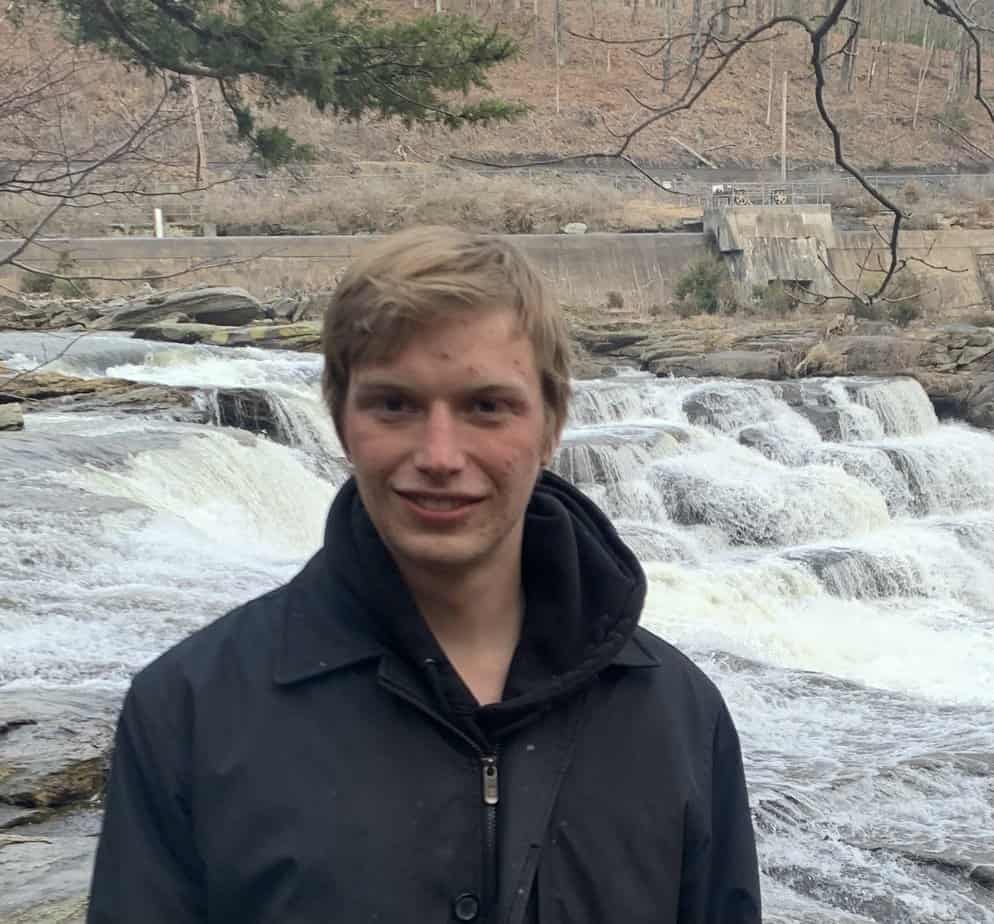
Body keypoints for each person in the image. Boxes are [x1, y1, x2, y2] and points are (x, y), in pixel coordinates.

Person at [87, 226, 761, 923]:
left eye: (486, 407)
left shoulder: (681, 718)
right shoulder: (188, 715)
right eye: (395, 405)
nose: (440, 455)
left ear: (552, 424)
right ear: (340, 420)